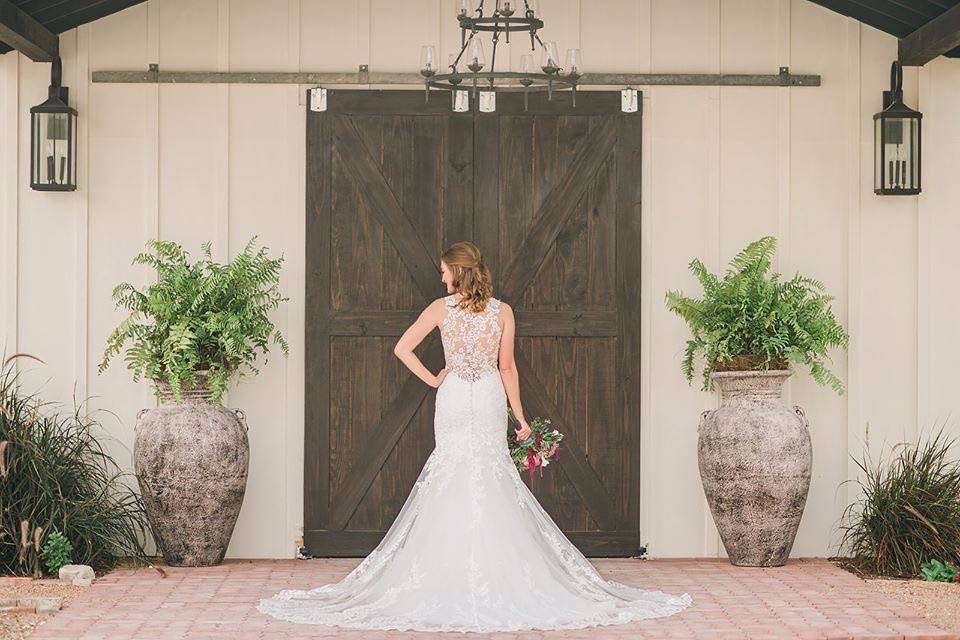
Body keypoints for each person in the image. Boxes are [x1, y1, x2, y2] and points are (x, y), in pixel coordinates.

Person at [258, 241, 692, 632]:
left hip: (455, 396)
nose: (440, 277)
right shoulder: (502, 311)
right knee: (488, 472)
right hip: (485, 394)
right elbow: (507, 369)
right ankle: (490, 572)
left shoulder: (441, 308)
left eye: (444, 270)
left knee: (455, 470)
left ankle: (452, 574)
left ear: (457, 272)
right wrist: (518, 417)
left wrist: (434, 379)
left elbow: (401, 347)